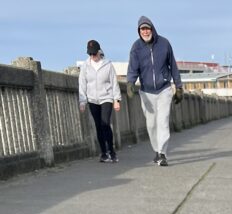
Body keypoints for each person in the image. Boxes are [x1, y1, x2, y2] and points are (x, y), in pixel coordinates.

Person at [126, 16, 184, 167]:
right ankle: (157, 151)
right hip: (146, 91)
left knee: (163, 121)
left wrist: (178, 87)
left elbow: (173, 65)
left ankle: (163, 153)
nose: (145, 32)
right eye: (142, 29)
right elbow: (133, 68)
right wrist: (130, 83)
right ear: (139, 31)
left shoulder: (164, 44)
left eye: (147, 28)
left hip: (164, 89)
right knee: (151, 124)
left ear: (152, 29)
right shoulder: (136, 47)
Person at [78, 40, 121, 163]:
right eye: (90, 54)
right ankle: (103, 153)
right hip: (92, 99)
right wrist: (82, 101)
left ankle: (111, 151)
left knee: (105, 124)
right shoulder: (85, 66)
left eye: (94, 54)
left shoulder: (107, 64)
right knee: (98, 126)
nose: (92, 56)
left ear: (99, 52)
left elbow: (114, 82)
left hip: (106, 97)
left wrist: (116, 100)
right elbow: (82, 84)